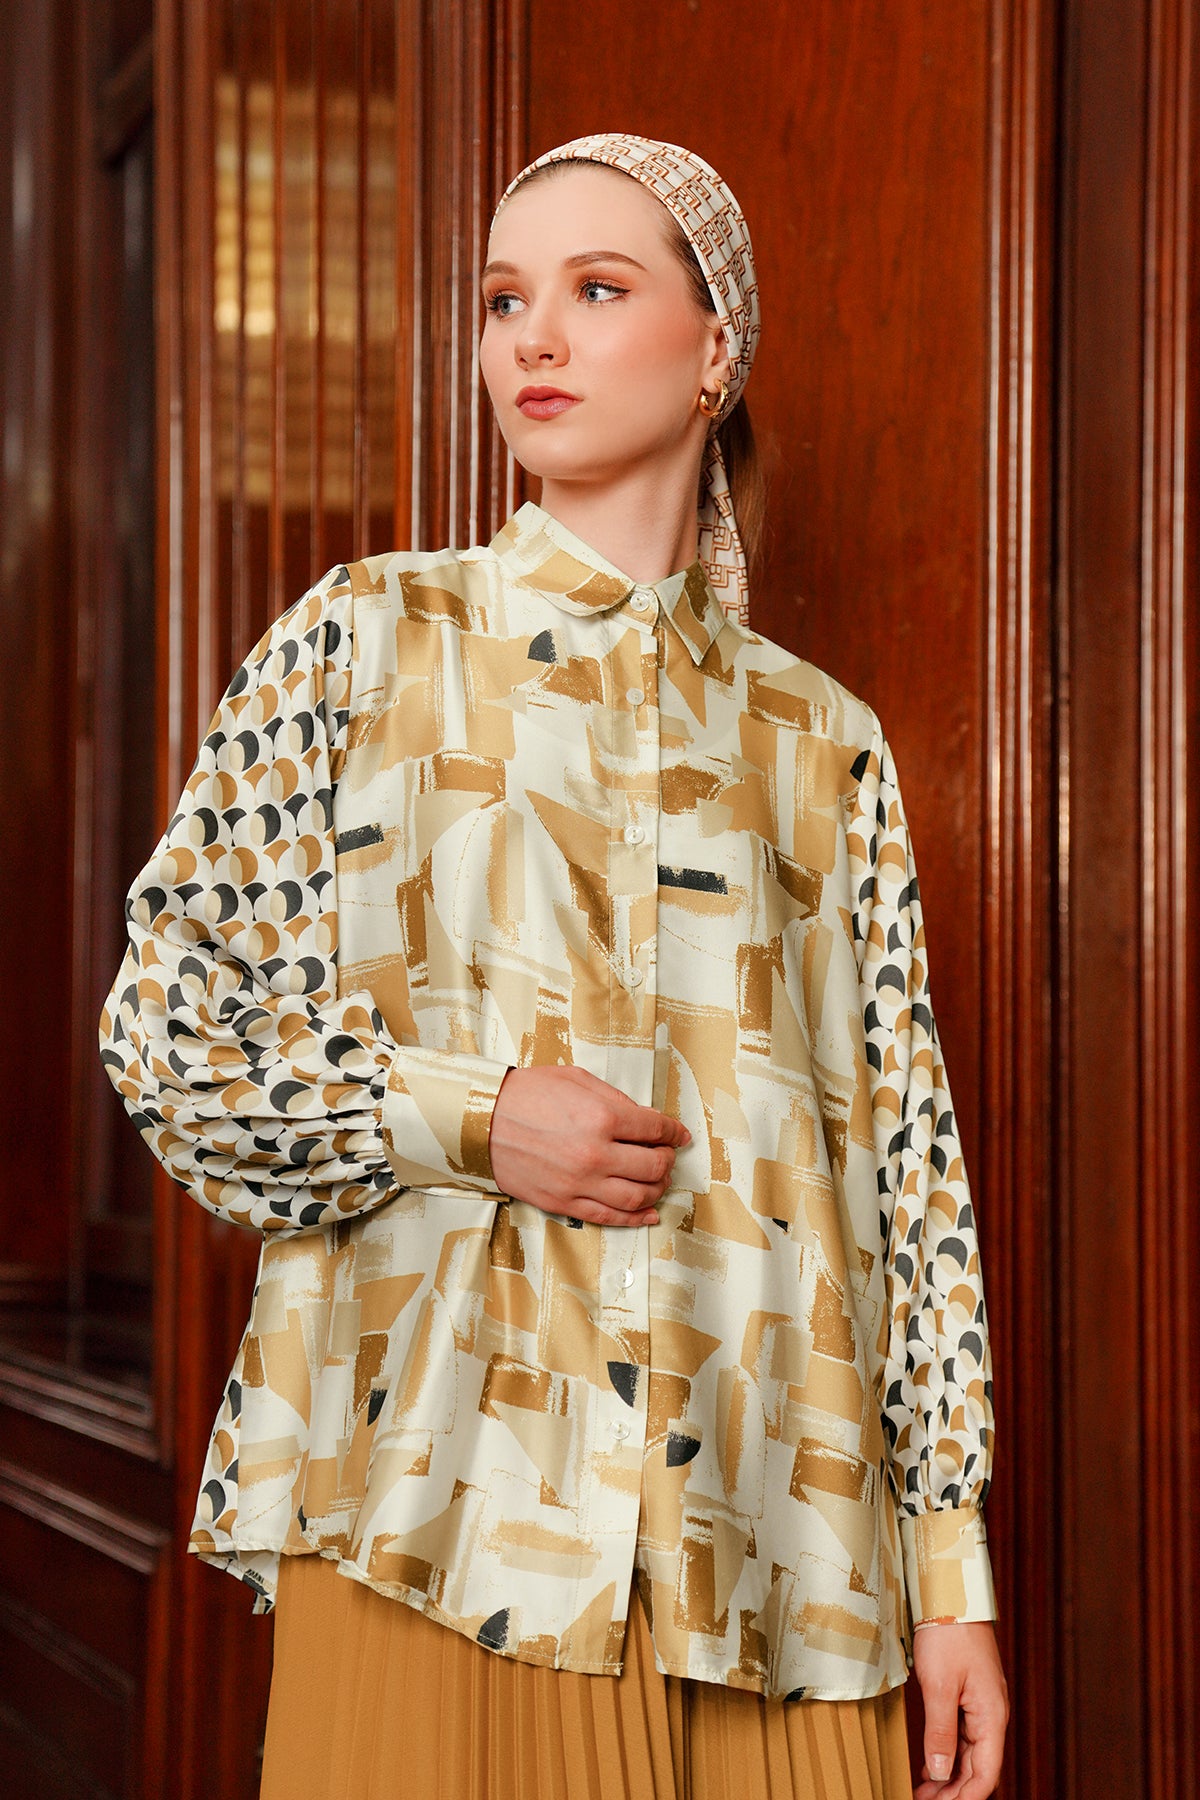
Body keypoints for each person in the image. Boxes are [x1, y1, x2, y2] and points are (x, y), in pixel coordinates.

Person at [99, 133, 1009, 1799]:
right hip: (443, 1515)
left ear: (716, 348)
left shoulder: (825, 743)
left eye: (597, 290)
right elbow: (169, 1032)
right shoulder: (361, 640)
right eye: (505, 298)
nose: (535, 337)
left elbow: (906, 1170)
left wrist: (950, 1572)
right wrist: (468, 1115)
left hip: (783, 1553)